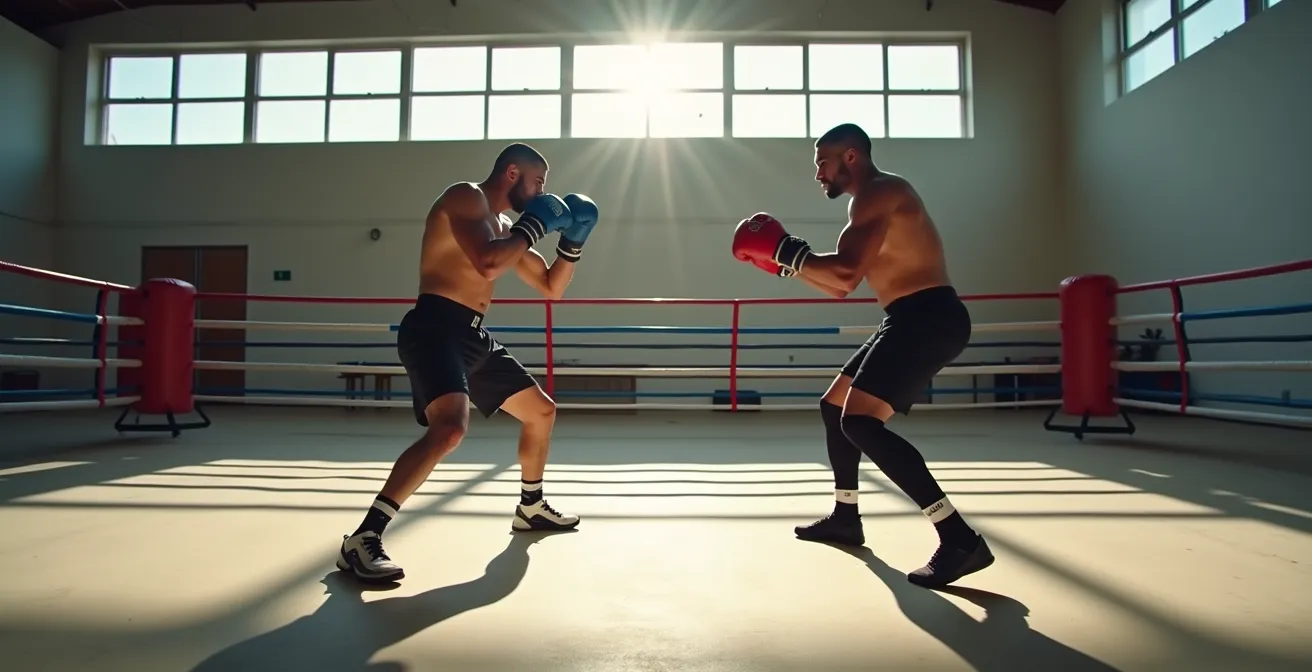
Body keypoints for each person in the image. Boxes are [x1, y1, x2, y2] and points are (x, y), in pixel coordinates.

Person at [730, 123, 993, 589]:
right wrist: (783, 263)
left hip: (928, 316)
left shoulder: (881, 191)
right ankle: (846, 516)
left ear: (851, 156)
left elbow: (847, 271)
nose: (817, 173)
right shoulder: (867, 201)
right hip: (906, 317)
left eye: (822, 161)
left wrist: (785, 250)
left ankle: (959, 537)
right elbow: (840, 287)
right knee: (835, 407)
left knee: (861, 422)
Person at [337, 143, 598, 583]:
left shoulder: (503, 225)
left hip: (471, 334)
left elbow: (553, 287)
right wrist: (535, 225)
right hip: (434, 326)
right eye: (538, 183)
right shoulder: (465, 197)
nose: (540, 194)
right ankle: (363, 538)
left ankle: (530, 506)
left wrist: (573, 243)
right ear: (512, 173)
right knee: (450, 428)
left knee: (542, 411)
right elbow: (488, 261)